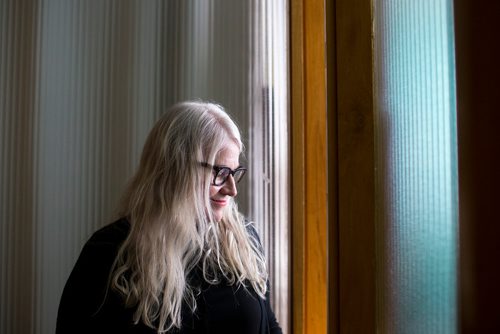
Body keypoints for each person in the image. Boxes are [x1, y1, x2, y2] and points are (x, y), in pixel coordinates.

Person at [56, 101, 283, 334]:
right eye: (221, 172)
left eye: (234, 173)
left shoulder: (243, 241)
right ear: (178, 169)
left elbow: (269, 326)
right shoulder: (110, 252)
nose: (232, 189)